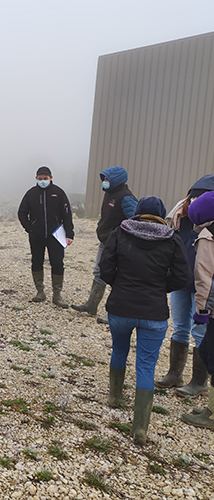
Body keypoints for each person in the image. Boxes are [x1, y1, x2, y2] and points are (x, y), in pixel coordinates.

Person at [100, 196, 188, 445]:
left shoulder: (120, 232)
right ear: (160, 214)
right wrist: (160, 288)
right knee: (146, 366)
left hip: (120, 308)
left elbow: (105, 267)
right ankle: (140, 429)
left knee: (119, 350)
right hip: (154, 312)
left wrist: (119, 285)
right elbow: (182, 277)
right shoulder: (172, 239)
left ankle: (114, 398)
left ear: (137, 212)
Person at [156, 175, 214, 395]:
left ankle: (199, 382)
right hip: (181, 281)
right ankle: (175, 374)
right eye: (193, 195)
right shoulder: (180, 218)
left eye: (201, 196)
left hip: (204, 287)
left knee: (201, 331)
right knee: (180, 327)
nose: (195, 200)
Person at [72, 166, 137, 321]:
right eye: (104, 179)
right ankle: (91, 305)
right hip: (105, 241)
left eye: (107, 179)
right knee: (99, 271)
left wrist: (120, 235)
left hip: (119, 243)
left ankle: (116, 312)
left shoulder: (126, 197)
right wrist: (101, 224)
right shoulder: (110, 193)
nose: (105, 182)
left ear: (116, 180)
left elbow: (135, 220)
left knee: (118, 276)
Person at [17, 166, 74, 308]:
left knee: (57, 262)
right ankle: (40, 292)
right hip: (36, 235)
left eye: (45, 178)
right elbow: (22, 212)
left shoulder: (58, 193)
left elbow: (67, 214)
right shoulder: (31, 193)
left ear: (51, 178)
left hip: (56, 235)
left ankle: (57, 294)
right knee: (37, 261)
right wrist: (29, 228)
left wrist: (69, 233)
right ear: (36, 178)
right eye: (40, 178)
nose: (43, 181)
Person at [181, 191, 214, 430]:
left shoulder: (207, 236)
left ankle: (211, 416)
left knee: (210, 352)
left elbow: (204, 276)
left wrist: (202, 310)